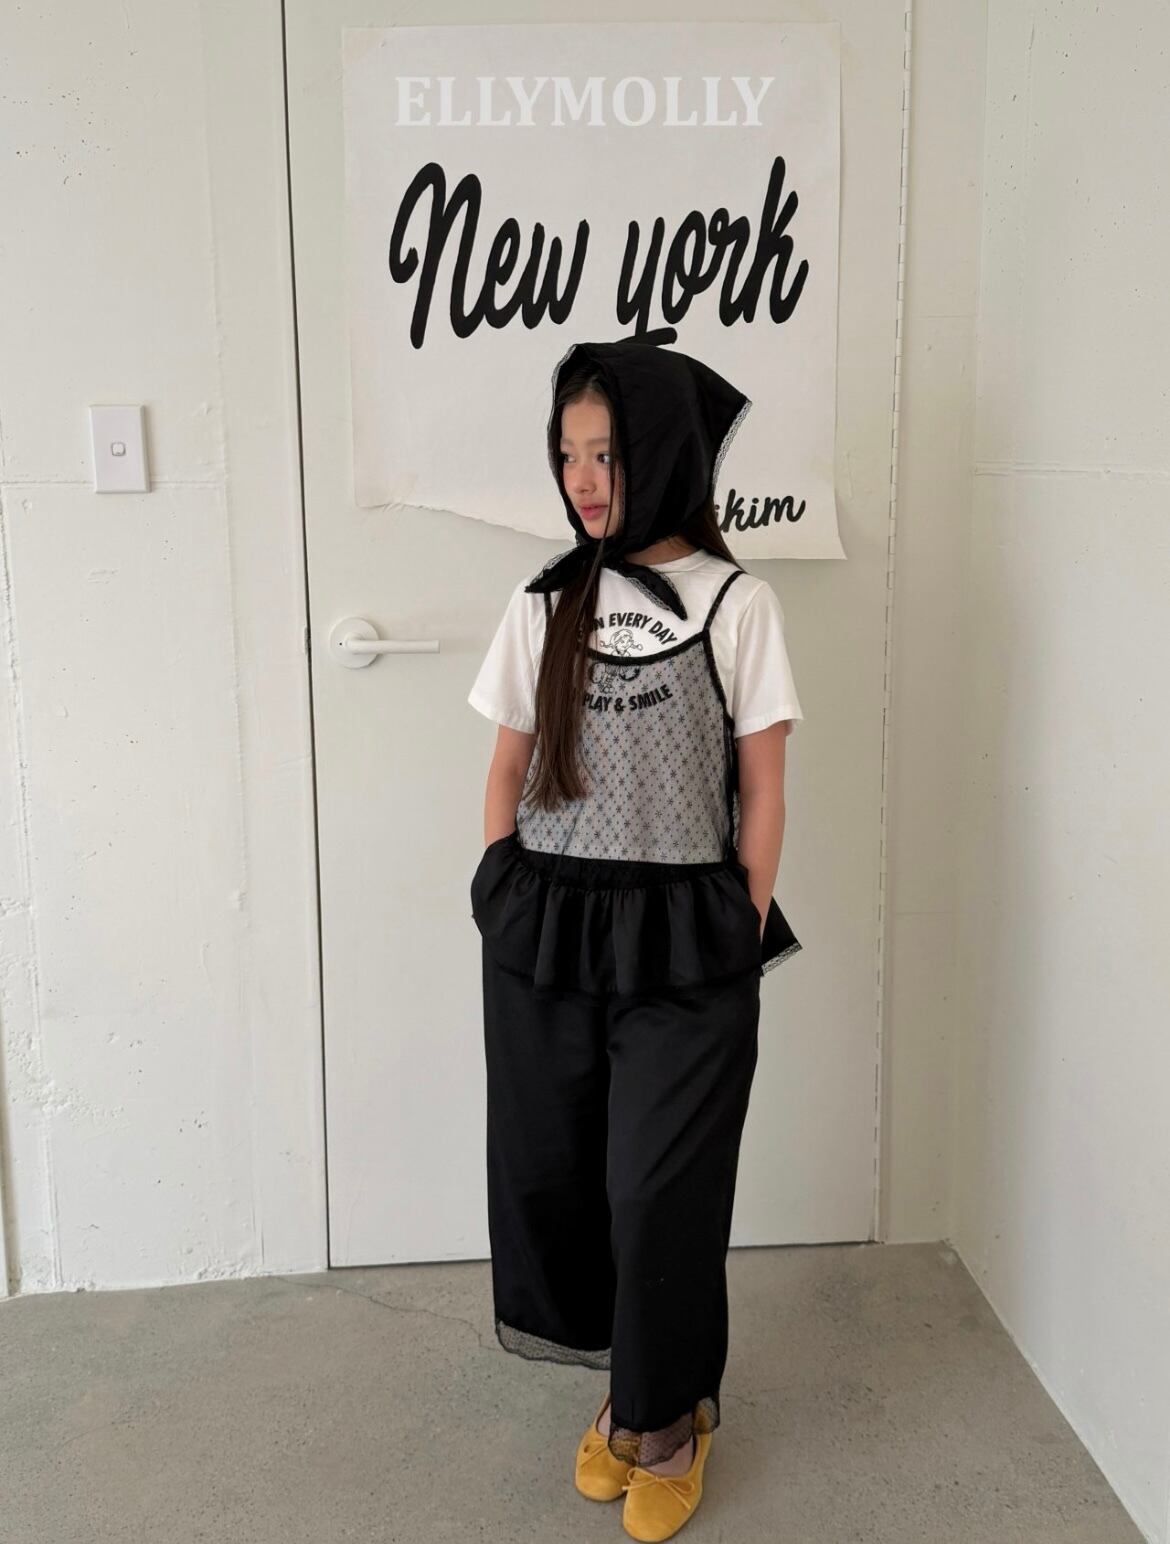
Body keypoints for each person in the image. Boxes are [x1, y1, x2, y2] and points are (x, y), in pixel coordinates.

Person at [467, 336, 803, 1541]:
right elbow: (506, 763)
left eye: (605, 452)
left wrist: (739, 921)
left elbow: (762, 784)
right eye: (567, 454)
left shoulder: (737, 603)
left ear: (660, 452)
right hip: (550, 932)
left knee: (660, 1189)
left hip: (684, 940)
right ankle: (628, 1387)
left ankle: (668, 1422)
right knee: (556, 1171)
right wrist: (501, 883)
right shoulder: (544, 599)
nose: (583, 478)